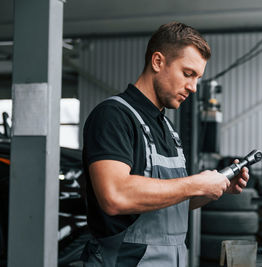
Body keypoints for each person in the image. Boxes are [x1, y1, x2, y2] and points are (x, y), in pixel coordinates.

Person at [81, 22, 249, 267]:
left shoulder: (167, 128)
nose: (193, 87)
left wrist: (213, 188)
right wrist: (196, 183)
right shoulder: (113, 116)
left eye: (198, 78)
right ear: (158, 62)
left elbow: (169, 204)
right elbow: (114, 195)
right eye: (188, 74)